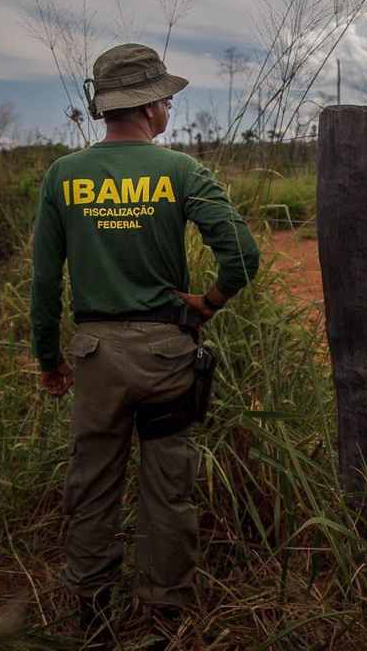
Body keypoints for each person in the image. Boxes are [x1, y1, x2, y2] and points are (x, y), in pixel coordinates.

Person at [29, 43, 261, 645]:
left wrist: (50, 360)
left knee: (93, 484)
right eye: (169, 100)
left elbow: (44, 282)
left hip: (94, 358)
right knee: (168, 487)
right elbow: (241, 254)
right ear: (153, 105)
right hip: (166, 356)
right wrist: (208, 303)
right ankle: (162, 619)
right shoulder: (181, 171)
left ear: (106, 107)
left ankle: (94, 620)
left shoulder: (63, 175)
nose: (171, 111)